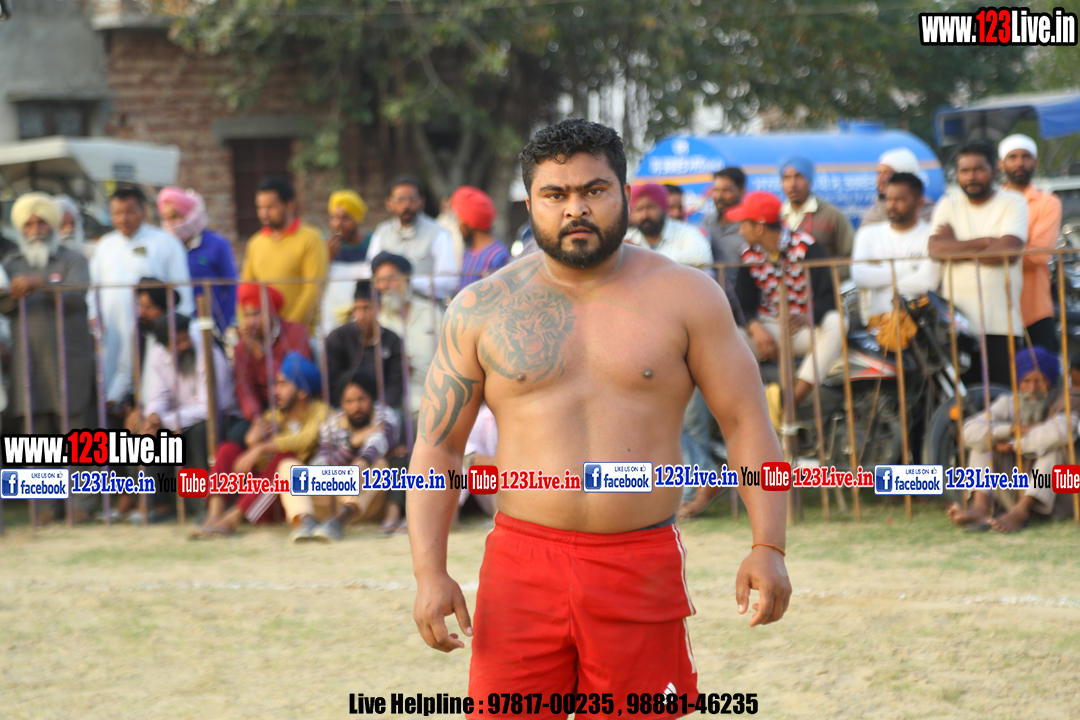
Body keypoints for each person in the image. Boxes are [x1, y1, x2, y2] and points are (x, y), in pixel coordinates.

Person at [407, 119, 790, 706]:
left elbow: (746, 425)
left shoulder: (688, 297)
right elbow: (437, 448)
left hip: (639, 562)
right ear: (530, 203)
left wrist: (769, 546)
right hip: (520, 566)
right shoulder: (481, 309)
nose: (575, 209)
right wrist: (429, 572)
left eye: (594, 190)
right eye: (555, 194)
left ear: (626, 195)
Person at [0, 193, 96, 522]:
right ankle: (45, 507)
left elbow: (77, 295)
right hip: (30, 363)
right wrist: (12, 291)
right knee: (37, 436)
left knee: (79, 435)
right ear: (20, 230)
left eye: (42, 222)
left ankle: (82, 506)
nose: (36, 229)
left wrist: (40, 283)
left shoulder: (72, 259)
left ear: (53, 225)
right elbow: (4, 305)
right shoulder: (11, 263)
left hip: (71, 360)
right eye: (28, 224)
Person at [193, 353, 329, 537]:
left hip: (291, 495)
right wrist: (253, 441)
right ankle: (213, 516)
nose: (275, 391)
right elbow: (259, 459)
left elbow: (306, 440)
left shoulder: (320, 411)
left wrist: (262, 447)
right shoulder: (276, 414)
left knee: (285, 459)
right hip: (261, 494)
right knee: (228, 449)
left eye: (283, 384)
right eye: (276, 384)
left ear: (302, 392)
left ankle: (232, 519)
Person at [89, 186, 194, 422]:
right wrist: (93, 316)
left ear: (144, 211)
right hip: (114, 335)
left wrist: (176, 331)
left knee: (155, 391)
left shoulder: (166, 243)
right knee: (116, 386)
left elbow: (183, 294)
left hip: (156, 335)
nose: (123, 218)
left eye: (129, 211)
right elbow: (92, 291)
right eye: (117, 213)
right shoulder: (104, 246)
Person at [928, 141, 1028, 387]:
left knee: (1003, 399)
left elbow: (1007, 251)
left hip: (1001, 324)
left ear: (994, 171)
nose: (971, 176)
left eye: (978, 169)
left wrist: (955, 247)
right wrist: (985, 242)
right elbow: (935, 249)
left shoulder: (1013, 202)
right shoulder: (948, 204)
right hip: (956, 327)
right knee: (963, 402)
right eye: (964, 170)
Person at [947, 346, 1078, 531]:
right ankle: (980, 508)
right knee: (982, 444)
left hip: (1061, 495)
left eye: (1040, 381)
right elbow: (968, 432)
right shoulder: (1008, 403)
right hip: (1015, 486)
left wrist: (1014, 445)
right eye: (1026, 381)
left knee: (1054, 449)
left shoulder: (1068, 401)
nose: (1032, 389)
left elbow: (1058, 433)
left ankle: (1020, 513)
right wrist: (1010, 429)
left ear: (1051, 381)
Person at [733, 191, 843, 410]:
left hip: (804, 330)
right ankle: (755, 408)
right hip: (770, 330)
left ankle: (792, 401)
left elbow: (828, 297)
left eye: (743, 224)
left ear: (759, 228)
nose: (739, 230)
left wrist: (809, 316)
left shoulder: (807, 246)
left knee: (837, 323)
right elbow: (741, 303)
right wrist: (755, 327)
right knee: (731, 337)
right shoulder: (747, 254)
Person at [131, 313, 234, 522]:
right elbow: (158, 396)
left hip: (220, 417)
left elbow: (208, 408)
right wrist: (153, 416)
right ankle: (161, 506)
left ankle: (205, 506)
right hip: (183, 417)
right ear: (165, 345)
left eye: (186, 338)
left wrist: (164, 421)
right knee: (148, 437)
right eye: (177, 342)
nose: (185, 345)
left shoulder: (206, 352)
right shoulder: (159, 355)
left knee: (198, 433)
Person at [280, 369, 401, 542]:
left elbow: (378, 443)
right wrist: (351, 445)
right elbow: (322, 464)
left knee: (378, 464)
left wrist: (359, 464)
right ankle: (307, 522)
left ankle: (338, 522)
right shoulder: (332, 424)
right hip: (332, 491)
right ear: (342, 404)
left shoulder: (385, 416)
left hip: (365, 502)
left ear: (371, 398)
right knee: (288, 466)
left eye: (361, 399)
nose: (356, 407)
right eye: (349, 401)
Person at [998, 134, 1063, 353]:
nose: (1019, 162)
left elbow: (1038, 255)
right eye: (1013, 157)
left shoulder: (1048, 203)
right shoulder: (991, 203)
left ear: (1035, 163)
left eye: (1025, 157)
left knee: (1040, 370)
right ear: (1001, 164)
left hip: (1035, 309)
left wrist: (993, 253)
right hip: (996, 309)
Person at [851, 173, 941, 325]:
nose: (891, 205)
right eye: (888, 199)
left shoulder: (932, 235)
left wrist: (879, 277)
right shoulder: (868, 234)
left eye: (899, 200)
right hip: (878, 326)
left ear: (919, 202)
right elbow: (860, 276)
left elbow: (928, 283)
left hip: (921, 326)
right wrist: (910, 269)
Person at [240, 177, 329, 330]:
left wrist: (287, 331)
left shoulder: (311, 239)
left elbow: (313, 289)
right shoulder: (255, 243)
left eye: (270, 207)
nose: (264, 213)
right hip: (263, 335)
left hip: (300, 335)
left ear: (290, 205)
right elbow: (245, 290)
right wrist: (247, 327)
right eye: (260, 207)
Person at [231, 283, 312, 443]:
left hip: (294, 404)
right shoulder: (242, 347)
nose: (251, 322)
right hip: (263, 410)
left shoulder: (295, 333)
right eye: (246, 315)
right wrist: (257, 417)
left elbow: (294, 377)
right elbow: (244, 388)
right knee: (235, 437)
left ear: (272, 313)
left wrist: (260, 355)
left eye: (257, 314)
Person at [371, 252, 442, 424]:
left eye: (391, 278)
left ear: (407, 280)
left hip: (438, 398)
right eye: (379, 280)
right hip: (393, 407)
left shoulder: (431, 312)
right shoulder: (374, 320)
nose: (384, 286)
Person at [157, 187, 238, 336]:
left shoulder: (217, 245)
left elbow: (231, 286)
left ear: (189, 214)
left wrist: (223, 324)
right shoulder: (164, 248)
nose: (171, 223)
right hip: (177, 328)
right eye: (166, 218)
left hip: (211, 325)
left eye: (175, 216)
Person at [366, 175, 458, 300]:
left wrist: (405, 282)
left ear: (422, 201)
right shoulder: (382, 232)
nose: (406, 205)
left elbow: (448, 282)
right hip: (389, 309)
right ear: (389, 203)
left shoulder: (438, 233)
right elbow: (369, 273)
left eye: (412, 199)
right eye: (400, 200)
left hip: (426, 308)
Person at [324, 279, 405, 409]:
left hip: (382, 408)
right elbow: (332, 383)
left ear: (379, 307)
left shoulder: (392, 340)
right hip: (346, 408)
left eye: (367, 308)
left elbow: (395, 384)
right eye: (357, 308)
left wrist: (378, 410)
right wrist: (350, 406)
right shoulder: (338, 338)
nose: (361, 315)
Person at [779, 156, 855, 264]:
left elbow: (850, 256)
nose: (793, 184)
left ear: (810, 179)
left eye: (799, 177)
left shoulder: (831, 215)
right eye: (786, 178)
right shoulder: (777, 216)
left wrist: (830, 273)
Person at [624, 184, 713, 269]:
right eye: (639, 209)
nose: (645, 215)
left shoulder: (686, 231)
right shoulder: (628, 237)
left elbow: (703, 256)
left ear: (663, 208)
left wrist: (645, 258)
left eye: (650, 207)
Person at [451, 186, 511, 293]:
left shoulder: (498, 257)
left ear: (470, 222)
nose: (457, 224)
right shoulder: (468, 253)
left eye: (459, 219)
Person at [860, 148, 935, 226]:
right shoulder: (871, 216)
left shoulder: (932, 215)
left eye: (887, 173)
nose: (880, 179)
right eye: (879, 173)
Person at [701, 167, 747, 289]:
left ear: (741, 191)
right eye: (716, 190)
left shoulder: (749, 226)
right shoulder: (707, 222)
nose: (719, 196)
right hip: (712, 294)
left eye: (726, 190)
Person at [327, 190, 370, 263]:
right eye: (334, 217)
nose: (338, 224)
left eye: (345, 218)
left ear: (358, 219)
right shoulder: (323, 245)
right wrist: (326, 256)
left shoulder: (373, 244)